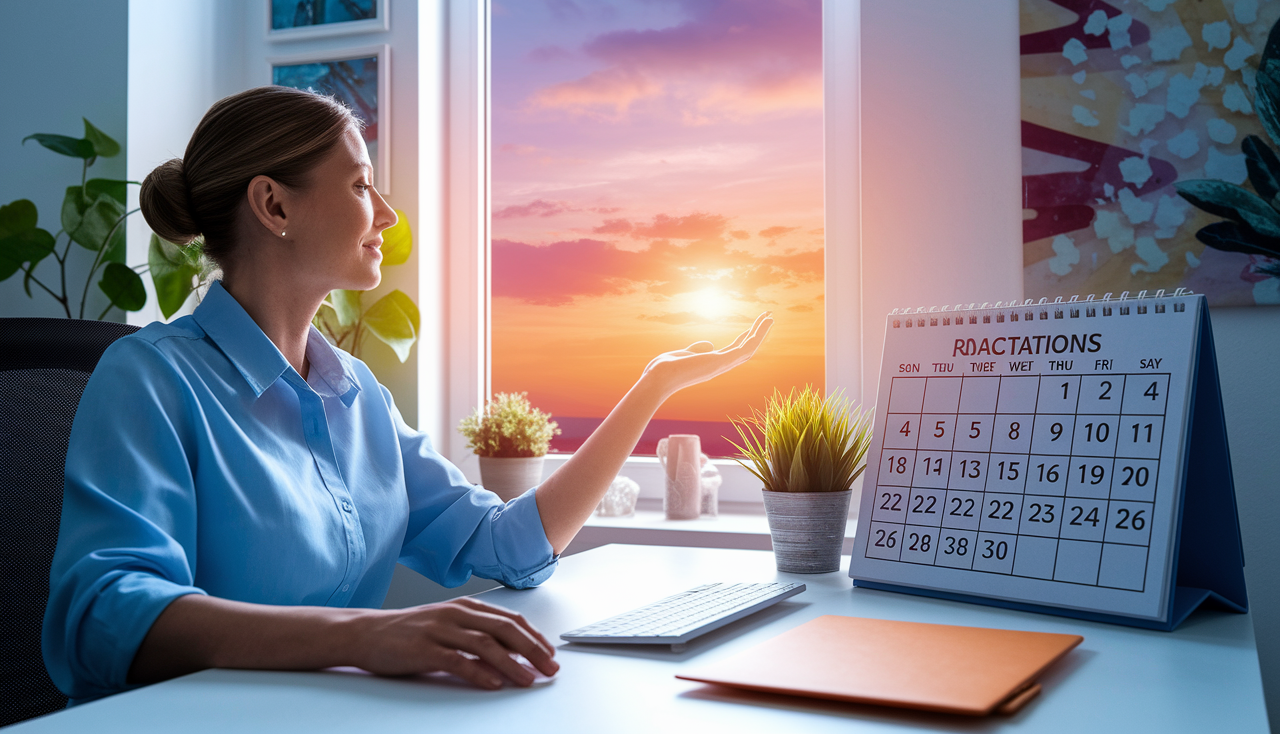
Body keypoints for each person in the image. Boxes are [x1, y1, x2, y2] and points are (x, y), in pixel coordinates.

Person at [42, 86, 772, 704]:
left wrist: (653, 386)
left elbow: (505, 547)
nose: (386, 215)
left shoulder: (357, 393)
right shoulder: (150, 379)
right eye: (360, 185)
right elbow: (106, 616)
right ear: (273, 205)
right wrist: (370, 635)